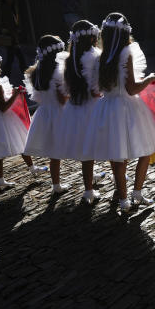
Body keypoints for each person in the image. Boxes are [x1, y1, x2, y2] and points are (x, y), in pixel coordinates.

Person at [83, 13, 155, 212]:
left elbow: (97, 89)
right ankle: (137, 192)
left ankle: (123, 200)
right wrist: (150, 79)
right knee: (145, 152)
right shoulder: (126, 53)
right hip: (128, 107)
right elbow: (132, 89)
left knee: (117, 157)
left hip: (107, 108)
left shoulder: (100, 58)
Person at [0, 50, 46, 188]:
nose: (0, 70)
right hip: (2, 120)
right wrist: (16, 94)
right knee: (20, 144)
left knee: (1, 153)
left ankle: (4, 180)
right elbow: (3, 107)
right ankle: (31, 169)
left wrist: (12, 92)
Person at [58, 20, 104, 204]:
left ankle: (88, 190)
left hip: (75, 109)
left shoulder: (69, 59)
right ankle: (120, 185)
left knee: (86, 152)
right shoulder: (95, 56)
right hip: (93, 108)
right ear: (92, 37)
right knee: (105, 145)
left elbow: (66, 89)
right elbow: (95, 90)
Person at [24, 36, 69, 195]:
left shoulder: (35, 72)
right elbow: (62, 99)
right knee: (79, 143)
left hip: (44, 113)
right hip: (60, 113)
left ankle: (56, 185)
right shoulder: (58, 73)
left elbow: (37, 97)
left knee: (54, 153)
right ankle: (90, 174)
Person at [0, 0, 28, 82]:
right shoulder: (6, 8)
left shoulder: (11, 7)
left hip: (12, 35)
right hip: (10, 36)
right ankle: (26, 74)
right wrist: (15, 38)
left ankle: (5, 77)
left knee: (12, 58)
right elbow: (9, 24)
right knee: (17, 57)